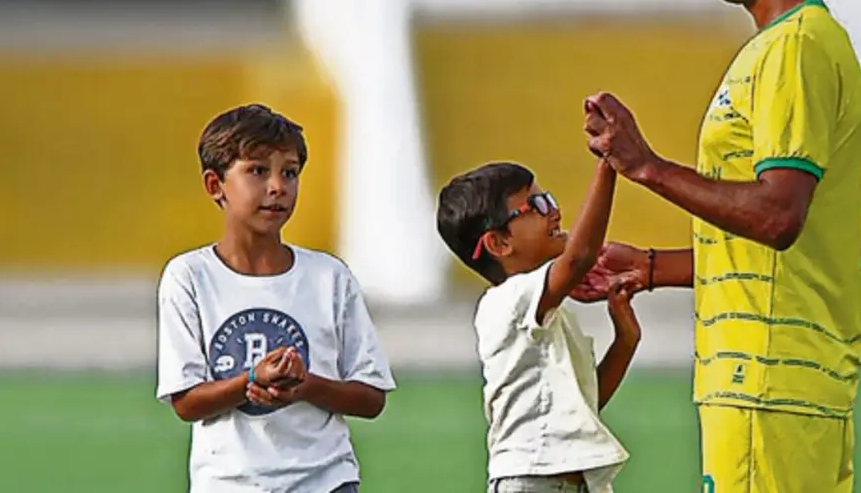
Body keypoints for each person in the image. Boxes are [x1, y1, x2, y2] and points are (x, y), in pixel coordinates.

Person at [572, 0, 861, 493]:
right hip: (779, 384)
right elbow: (784, 248)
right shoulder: (787, 47)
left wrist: (646, 167)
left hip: (767, 382)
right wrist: (651, 268)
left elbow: (778, 214)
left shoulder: (795, 48)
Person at [155, 104, 395, 493]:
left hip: (326, 481)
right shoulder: (190, 278)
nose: (277, 187)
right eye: (257, 170)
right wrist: (251, 379)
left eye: (290, 172)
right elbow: (186, 401)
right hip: (230, 484)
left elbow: (370, 397)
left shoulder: (329, 277)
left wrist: (304, 386)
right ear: (215, 185)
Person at [436, 160, 640, 492]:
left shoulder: (548, 316)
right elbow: (578, 258)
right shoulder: (507, 302)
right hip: (531, 480)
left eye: (549, 199)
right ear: (499, 244)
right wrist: (609, 163)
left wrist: (626, 339)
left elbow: (584, 406)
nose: (554, 211)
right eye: (536, 206)